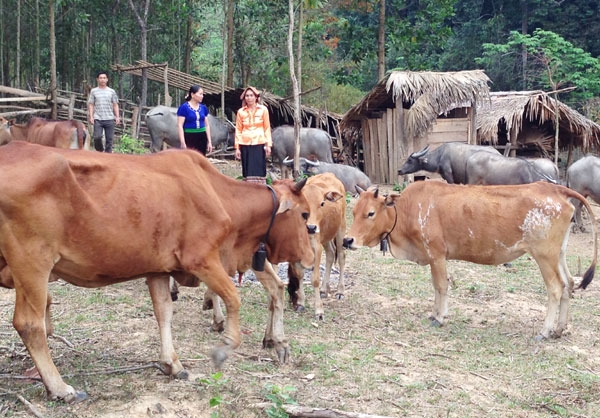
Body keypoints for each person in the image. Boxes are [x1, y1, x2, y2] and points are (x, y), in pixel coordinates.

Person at [235, 86, 272, 183]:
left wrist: (268, 145)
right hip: (245, 143)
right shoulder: (241, 112)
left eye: (251, 95)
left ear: (256, 97)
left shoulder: (263, 110)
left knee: (259, 168)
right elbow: (238, 130)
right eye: (247, 96)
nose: (249, 98)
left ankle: (260, 189)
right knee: (247, 169)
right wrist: (237, 148)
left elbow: (267, 128)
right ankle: (248, 190)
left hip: (259, 142)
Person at [88, 71, 120, 153]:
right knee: (97, 137)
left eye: (104, 78)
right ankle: (100, 151)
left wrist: (117, 116)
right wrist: (91, 116)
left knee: (109, 139)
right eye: (101, 78)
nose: (102, 80)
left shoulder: (111, 91)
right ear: (97, 79)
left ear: (107, 80)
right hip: (98, 118)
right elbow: (91, 104)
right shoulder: (93, 91)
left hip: (109, 118)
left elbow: (115, 104)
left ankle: (108, 155)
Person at [177, 85, 213, 155]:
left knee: (201, 158)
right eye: (200, 94)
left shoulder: (203, 108)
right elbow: (180, 125)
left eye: (202, 94)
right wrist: (183, 142)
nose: (202, 96)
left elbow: (207, 125)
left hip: (202, 137)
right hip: (189, 137)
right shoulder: (184, 108)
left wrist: (209, 141)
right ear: (192, 94)